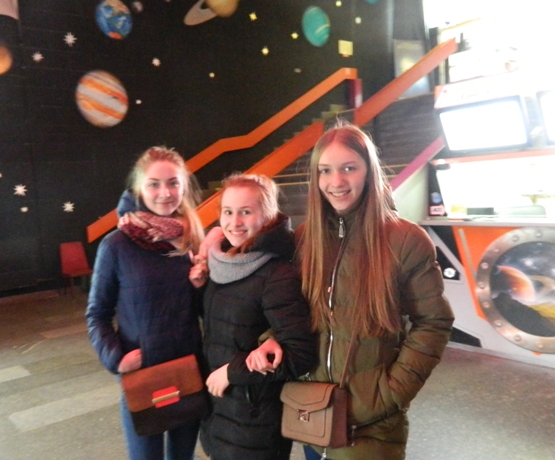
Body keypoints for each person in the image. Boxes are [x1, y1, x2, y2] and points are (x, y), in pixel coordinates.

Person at [295, 122, 455, 459]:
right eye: (325, 170)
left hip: (370, 423)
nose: (336, 182)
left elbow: (433, 322)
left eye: (348, 168)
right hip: (312, 412)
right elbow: (287, 306)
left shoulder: (404, 239)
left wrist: (390, 392)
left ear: (368, 171)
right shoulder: (306, 237)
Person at [86, 146, 205, 460]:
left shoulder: (192, 238)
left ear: (184, 187)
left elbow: (204, 310)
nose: (165, 193)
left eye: (173, 183)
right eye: (154, 184)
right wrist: (116, 358)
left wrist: (201, 286)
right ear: (139, 188)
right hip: (142, 372)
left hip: (187, 369)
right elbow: (97, 314)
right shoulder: (116, 244)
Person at [191, 173, 318, 460]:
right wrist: (198, 286)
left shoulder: (277, 274)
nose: (234, 222)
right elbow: (224, 325)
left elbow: (300, 353)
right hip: (220, 412)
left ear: (268, 215)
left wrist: (231, 372)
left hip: (255, 420)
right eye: (228, 212)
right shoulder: (222, 263)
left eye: (245, 212)